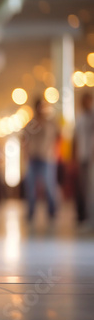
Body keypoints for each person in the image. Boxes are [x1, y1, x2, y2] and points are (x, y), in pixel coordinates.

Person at [22, 98, 60, 222]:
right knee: (31, 187)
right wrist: (25, 153)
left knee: (49, 186)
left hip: (47, 158)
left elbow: (57, 138)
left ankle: (52, 212)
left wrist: (54, 152)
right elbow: (24, 139)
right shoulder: (31, 124)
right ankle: (31, 212)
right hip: (33, 158)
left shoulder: (50, 123)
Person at [73, 93, 94, 229]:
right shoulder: (80, 118)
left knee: (91, 190)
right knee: (84, 189)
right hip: (82, 157)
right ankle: (84, 217)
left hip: (92, 158)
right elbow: (75, 138)